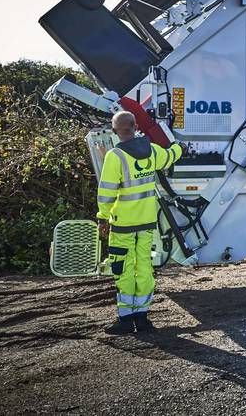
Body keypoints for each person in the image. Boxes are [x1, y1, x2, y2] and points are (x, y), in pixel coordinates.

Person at [97, 111, 182, 335]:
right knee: (144, 268)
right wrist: (179, 147)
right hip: (146, 224)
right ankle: (143, 318)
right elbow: (170, 156)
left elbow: (106, 193)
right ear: (135, 126)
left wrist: (102, 217)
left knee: (123, 269)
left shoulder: (115, 157)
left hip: (123, 225)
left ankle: (126, 320)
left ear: (115, 131)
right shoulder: (152, 151)